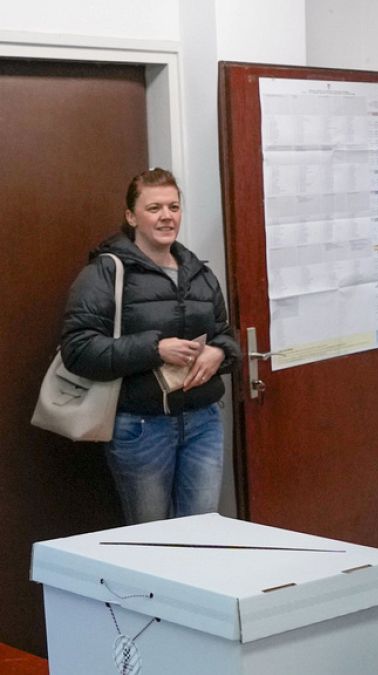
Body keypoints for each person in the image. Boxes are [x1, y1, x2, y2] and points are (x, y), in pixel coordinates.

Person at [60, 168, 242, 524]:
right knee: (151, 541)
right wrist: (155, 349)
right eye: (154, 207)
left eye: (174, 207)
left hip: (203, 421)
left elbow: (225, 334)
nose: (166, 216)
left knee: (204, 534)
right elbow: (78, 349)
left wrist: (219, 352)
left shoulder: (199, 272)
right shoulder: (107, 271)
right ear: (131, 216)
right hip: (142, 427)